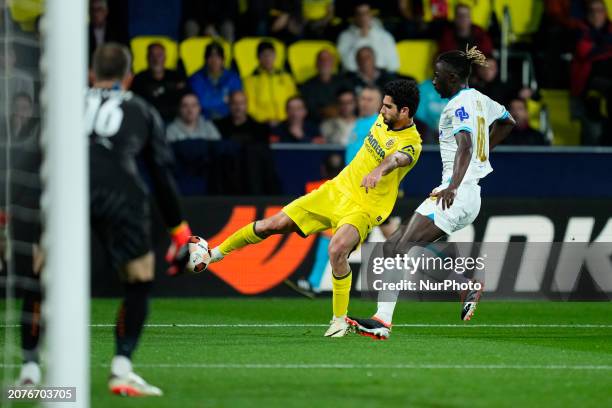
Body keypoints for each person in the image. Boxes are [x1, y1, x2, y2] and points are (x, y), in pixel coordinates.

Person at [205, 80, 422, 338]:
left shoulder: (412, 143)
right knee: (271, 225)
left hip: (364, 207)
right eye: (382, 105)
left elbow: (397, 158)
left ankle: (339, 320)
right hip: (334, 191)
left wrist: (379, 170)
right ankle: (213, 253)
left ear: (405, 112)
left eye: (388, 107)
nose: (381, 110)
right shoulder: (382, 119)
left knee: (337, 249)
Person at [347, 46, 515, 340]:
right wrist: (482, 155)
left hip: (456, 193)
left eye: (437, 76)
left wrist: (454, 183)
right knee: (393, 247)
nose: (433, 81)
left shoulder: (458, 105)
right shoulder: (480, 99)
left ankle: (384, 321)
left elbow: (464, 145)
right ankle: (460, 285)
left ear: (451, 77)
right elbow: (508, 121)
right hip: (460, 191)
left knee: (398, 248)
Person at [87, 43, 192, 395]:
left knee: (42, 273)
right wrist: (180, 233)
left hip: (65, 190)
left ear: (91, 75)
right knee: (138, 278)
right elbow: (160, 174)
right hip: (120, 193)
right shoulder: (141, 108)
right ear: (129, 78)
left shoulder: (61, 103)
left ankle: (27, 372)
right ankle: (121, 368)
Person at [243, 41, 298, 125]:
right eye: (264, 55)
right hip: (261, 123)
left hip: (286, 122)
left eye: (270, 54)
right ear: (258, 58)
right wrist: (264, 119)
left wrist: (286, 118)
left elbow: (294, 101)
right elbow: (249, 105)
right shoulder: (249, 80)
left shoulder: (286, 78)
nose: (268, 58)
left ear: (275, 56)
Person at [130, 42, 186, 122]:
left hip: (174, 121)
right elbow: (136, 104)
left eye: (159, 55)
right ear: (147, 58)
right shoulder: (139, 79)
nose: (156, 59)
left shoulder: (176, 77)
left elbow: (185, 100)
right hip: (147, 120)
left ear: (165, 57)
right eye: (152, 55)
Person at [337, 2, 400, 73]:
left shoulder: (385, 36)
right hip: (354, 77)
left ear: (371, 15)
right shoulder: (344, 37)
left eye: (366, 13)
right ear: (354, 17)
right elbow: (347, 66)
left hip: (381, 76)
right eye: (359, 13)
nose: (363, 17)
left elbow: (394, 65)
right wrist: (361, 38)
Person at [188, 42, 242, 121]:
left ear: (223, 59)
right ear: (205, 59)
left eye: (218, 57)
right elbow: (202, 102)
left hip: (229, 119)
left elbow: (237, 101)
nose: (214, 60)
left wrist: (212, 97)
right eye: (211, 57)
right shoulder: (196, 78)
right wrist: (224, 98)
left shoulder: (233, 77)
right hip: (203, 120)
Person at [300, 49, 349, 122]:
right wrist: (327, 111)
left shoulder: (344, 81)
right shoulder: (307, 86)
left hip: (344, 120)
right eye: (321, 59)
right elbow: (309, 110)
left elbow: (351, 101)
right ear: (316, 64)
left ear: (333, 63)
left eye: (328, 59)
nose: (324, 62)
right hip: (318, 123)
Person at [345, 85, 383, 163]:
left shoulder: (380, 125)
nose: (365, 103)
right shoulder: (356, 122)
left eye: (369, 100)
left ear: (379, 103)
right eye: (363, 98)